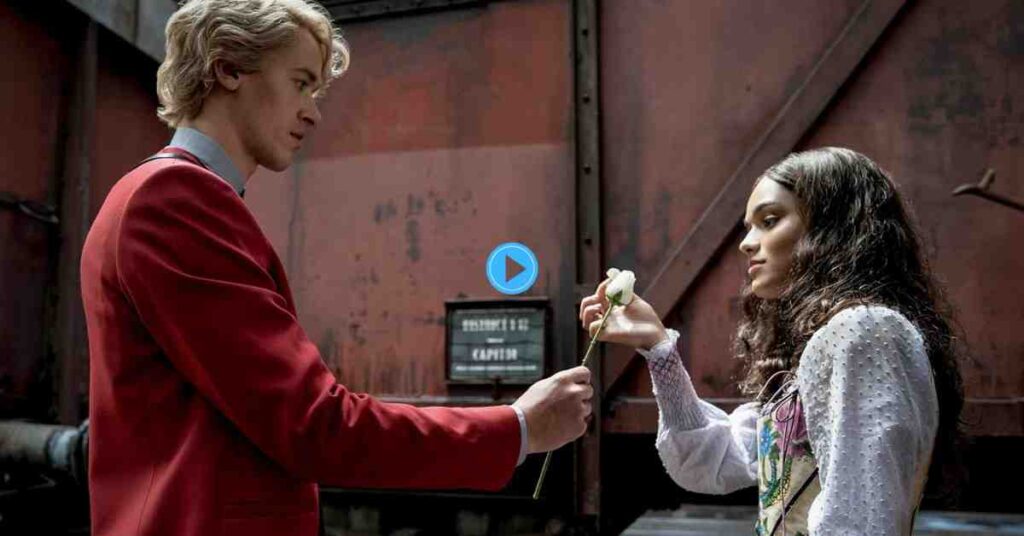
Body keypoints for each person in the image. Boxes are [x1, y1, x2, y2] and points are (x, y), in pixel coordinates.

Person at [80, 1, 592, 535]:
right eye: (301, 82)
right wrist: (519, 428)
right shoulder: (176, 200)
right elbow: (314, 426)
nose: (313, 112)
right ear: (227, 67)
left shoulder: (163, 196)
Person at [580, 148, 963, 535]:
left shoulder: (862, 331)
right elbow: (714, 458)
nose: (747, 242)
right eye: (750, 226)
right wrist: (658, 347)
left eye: (770, 220)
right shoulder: (838, 336)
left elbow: (858, 522)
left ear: (832, 228)